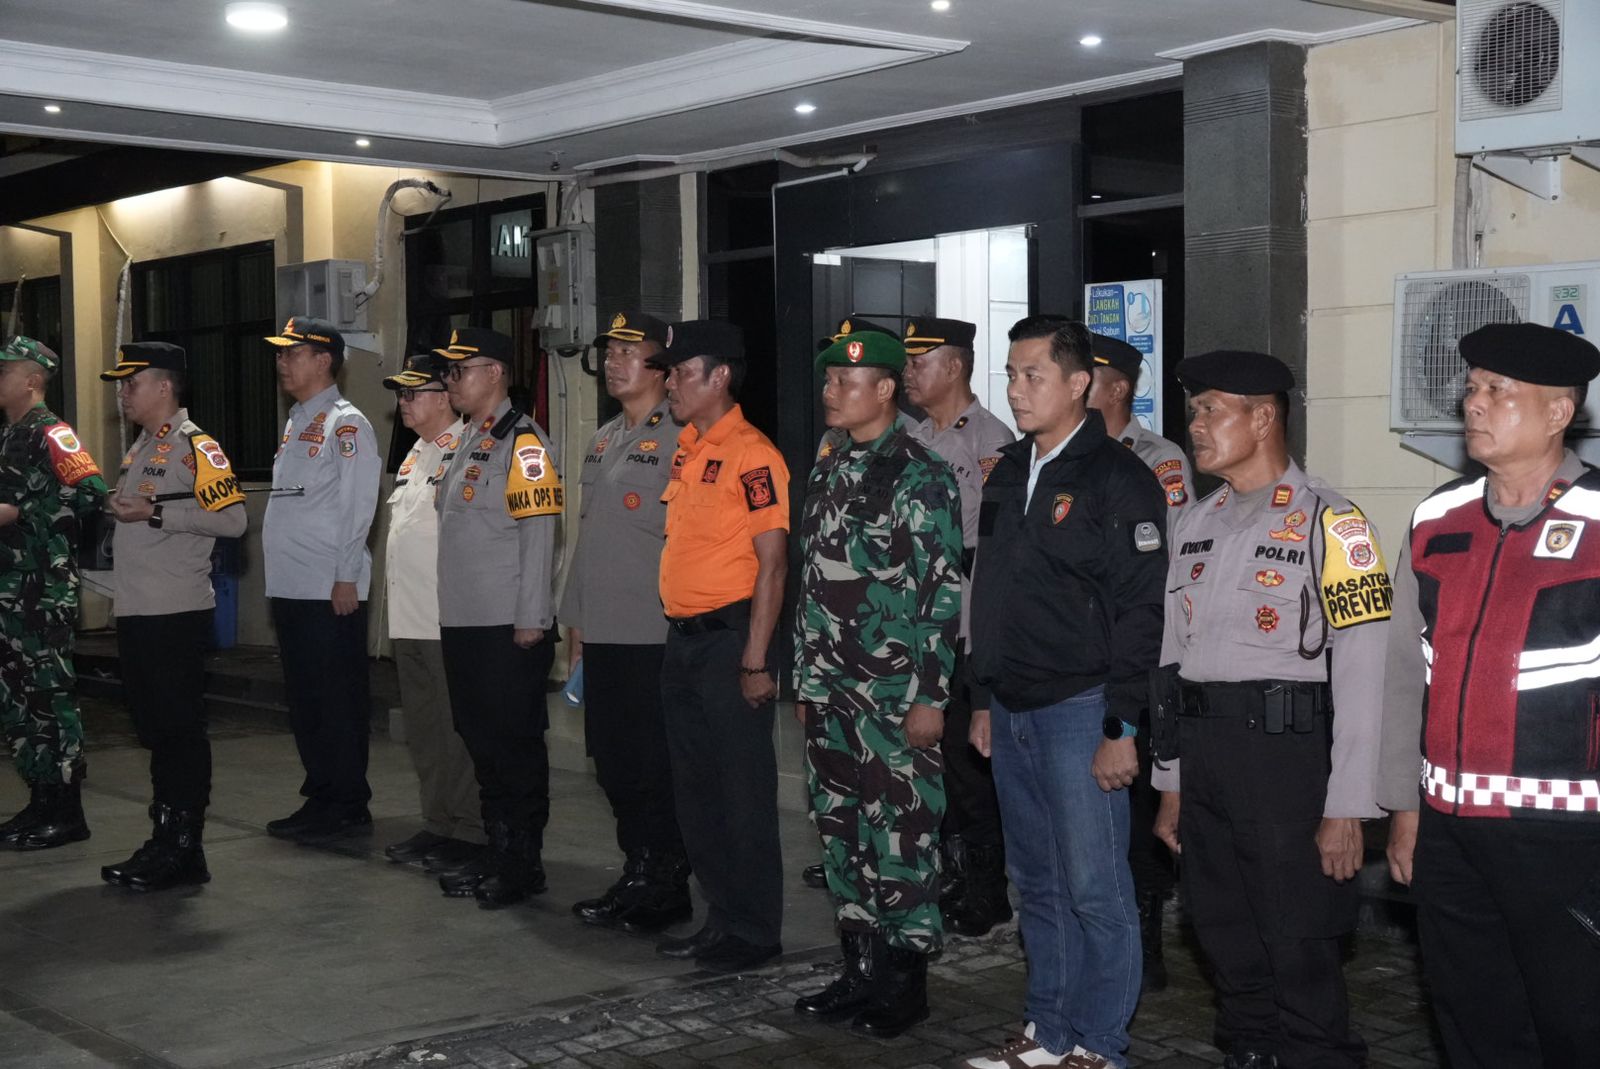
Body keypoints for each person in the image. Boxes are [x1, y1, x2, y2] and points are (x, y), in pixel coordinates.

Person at [1153, 350, 1388, 1069]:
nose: (1195, 425)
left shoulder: (1336, 523)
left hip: (1285, 756)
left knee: (1298, 935)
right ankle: (1250, 1050)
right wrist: (1170, 781)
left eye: (1210, 410)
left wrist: (1348, 805)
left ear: (1262, 419)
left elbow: (1365, 672)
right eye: (1193, 410)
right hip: (1205, 751)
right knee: (1221, 924)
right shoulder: (1195, 520)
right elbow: (1171, 658)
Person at [1379, 322, 1600, 1069]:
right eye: (1472, 388)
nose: (1474, 403)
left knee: (1576, 1028)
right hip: (1450, 833)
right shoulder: (1436, 517)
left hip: (1569, 838)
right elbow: (1405, 673)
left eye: (1499, 391)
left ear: (1558, 411)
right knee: (1472, 1024)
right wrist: (1405, 810)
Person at [962, 318, 1167, 1069]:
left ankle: (1101, 1042)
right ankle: (1048, 1031)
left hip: (1083, 706)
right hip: (1011, 704)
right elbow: (989, 588)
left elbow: (1142, 609)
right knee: (1038, 883)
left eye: (1033, 375)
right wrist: (981, 696)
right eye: (1011, 375)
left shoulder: (1119, 477)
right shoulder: (1008, 468)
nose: (1016, 390)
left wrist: (1122, 723)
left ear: (1079, 383)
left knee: (1095, 887)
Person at [793, 329, 963, 1037]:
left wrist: (931, 696)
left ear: (885, 389)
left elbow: (941, 593)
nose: (830, 391)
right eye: (829, 379)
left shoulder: (921, 473)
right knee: (841, 832)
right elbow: (812, 582)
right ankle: (858, 968)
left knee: (901, 835)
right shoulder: (830, 464)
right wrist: (806, 683)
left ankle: (902, 981)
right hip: (830, 690)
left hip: (892, 696)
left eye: (844, 381)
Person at [649, 320, 789, 973]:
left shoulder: (752, 454)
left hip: (730, 643)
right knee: (697, 792)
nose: (669, 384)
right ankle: (722, 917)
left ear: (720, 376)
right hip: (684, 641)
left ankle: (755, 930)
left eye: (681, 372)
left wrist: (756, 659)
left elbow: (773, 565)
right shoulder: (688, 448)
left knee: (741, 793)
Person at [97, 342, 247, 889]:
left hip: (175, 612)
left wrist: (156, 513)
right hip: (139, 609)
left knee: (179, 732)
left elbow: (232, 520)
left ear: (164, 387)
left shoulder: (196, 447)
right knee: (157, 731)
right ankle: (164, 840)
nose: (123, 394)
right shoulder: (142, 445)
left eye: (131, 383)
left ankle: (184, 849)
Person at [562, 311, 692, 934]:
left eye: (627, 351)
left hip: (652, 633)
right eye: (609, 352)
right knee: (613, 763)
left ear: (663, 366)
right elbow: (587, 541)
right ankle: (638, 869)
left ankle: (666, 883)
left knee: (651, 767)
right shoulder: (604, 438)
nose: (613, 362)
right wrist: (576, 626)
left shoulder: (684, 437)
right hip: (603, 633)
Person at [432, 327, 563, 909]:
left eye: (460, 370)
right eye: (449, 372)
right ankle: (497, 848)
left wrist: (532, 615)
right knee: (481, 741)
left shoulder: (524, 442)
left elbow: (539, 532)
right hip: (465, 621)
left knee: (513, 746)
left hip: (508, 625)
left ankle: (521, 861)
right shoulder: (468, 438)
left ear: (495, 373)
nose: (450, 381)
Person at [901, 316, 1016, 938]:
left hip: (967, 623)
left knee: (970, 771)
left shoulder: (991, 441)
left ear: (954, 367)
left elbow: (994, 550)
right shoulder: (913, 437)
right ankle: (948, 873)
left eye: (919, 362)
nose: (908, 373)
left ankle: (986, 888)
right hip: (919, 623)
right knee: (934, 763)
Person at [1085, 330, 1192, 990]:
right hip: (1086, 652)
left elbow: (1168, 559)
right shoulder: (1066, 454)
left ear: (1119, 387)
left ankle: (1147, 932)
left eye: (1089, 376)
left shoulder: (1158, 457)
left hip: (1144, 648)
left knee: (1144, 795)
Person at [260, 317, 381, 843]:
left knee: (336, 701)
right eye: (280, 354)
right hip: (292, 585)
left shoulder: (346, 424)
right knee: (307, 701)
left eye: (293, 353)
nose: (282, 362)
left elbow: (359, 505)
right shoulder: (296, 421)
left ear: (324, 360)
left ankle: (348, 802)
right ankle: (322, 795)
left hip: (329, 588)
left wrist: (346, 575)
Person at [378, 354, 485, 872]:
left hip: (446, 618)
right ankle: (438, 822)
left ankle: (470, 829)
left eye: (412, 392)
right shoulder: (414, 455)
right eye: (400, 394)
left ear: (444, 397)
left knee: (455, 732)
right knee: (424, 732)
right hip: (409, 617)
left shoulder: (466, 450)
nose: (403, 403)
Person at [0, 336, 107, 850]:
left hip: (42, 589)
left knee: (51, 696)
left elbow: (90, 493)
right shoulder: (11, 434)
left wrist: (25, 514)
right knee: (19, 700)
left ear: (32, 381)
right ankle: (40, 799)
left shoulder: (53, 432)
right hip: (11, 592)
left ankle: (66, 811)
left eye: (4, 372)